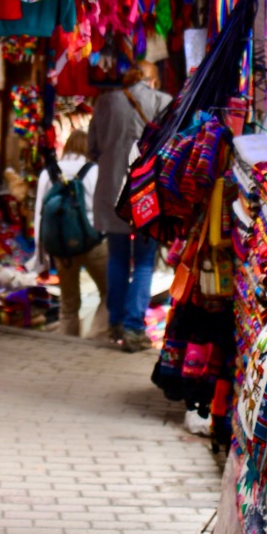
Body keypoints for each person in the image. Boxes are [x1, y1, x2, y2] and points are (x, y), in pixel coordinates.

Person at [88, 62, 171, 351]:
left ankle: (115, 323)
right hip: (147, 194)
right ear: (154, 80)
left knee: (118, 258)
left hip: (112, 191)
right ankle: (135, 329)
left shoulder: (105, 102)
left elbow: (93, 149)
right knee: (145, 262)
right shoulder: (163, 102)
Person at [33, 131, 108, 339]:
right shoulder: (94, 171)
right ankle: (96, 338)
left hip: (61, 247)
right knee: (110, 293)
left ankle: (68, 345)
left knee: (68, 302)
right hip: (94, 243)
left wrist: (41, 261)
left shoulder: (48, 173)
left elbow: (40, 216)